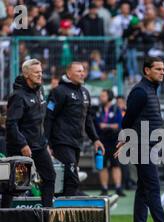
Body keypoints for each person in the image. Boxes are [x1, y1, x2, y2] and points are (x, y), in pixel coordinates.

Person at [115, 56, 164, 222]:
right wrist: (124, 138)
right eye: (158, 69)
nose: (162, 72)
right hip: (142, 144)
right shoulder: (140, 91)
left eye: (163, 69)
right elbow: (128, 118)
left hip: (150, 144)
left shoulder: (150, 89)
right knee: (153, 186)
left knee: (143, 187)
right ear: (147, 71)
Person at [45, 61, 104, 196]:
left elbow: (88, 119)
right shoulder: (59, 91)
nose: (82, 73)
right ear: (69, 74)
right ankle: (67, 210)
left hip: (76, 143)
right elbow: (49, 117)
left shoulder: (85, 93)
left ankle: (61, 210)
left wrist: (95, 139)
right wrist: (46, 143)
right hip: (61, 142)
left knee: (68, 180)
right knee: (72, 178)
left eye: (83, 71)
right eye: (78, 71)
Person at [5, 59, 55, 207]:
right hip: (21, 148)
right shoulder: (18, 96)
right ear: (26, 74)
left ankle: (46, 215)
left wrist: (45, 142)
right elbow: (11, 124)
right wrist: (22, 144)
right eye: (36, 72)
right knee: (17, 184)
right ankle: (4, 215)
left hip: (39, 146)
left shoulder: (41, 91)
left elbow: (40, 121)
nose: (40, 75)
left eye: (41, 72)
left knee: (50, 176)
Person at [95, 89, 125, 197]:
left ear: (109, 97)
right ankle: (104, 188)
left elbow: (118, 125)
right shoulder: (98, 109)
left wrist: (105, 126)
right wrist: (107, 126)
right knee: (102, 165)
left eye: (103, 96)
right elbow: (97, 124)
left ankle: (118, 188)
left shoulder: (116, 109)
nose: (101, 97)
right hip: (101, 141)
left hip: (114, 141)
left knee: (116, 165)